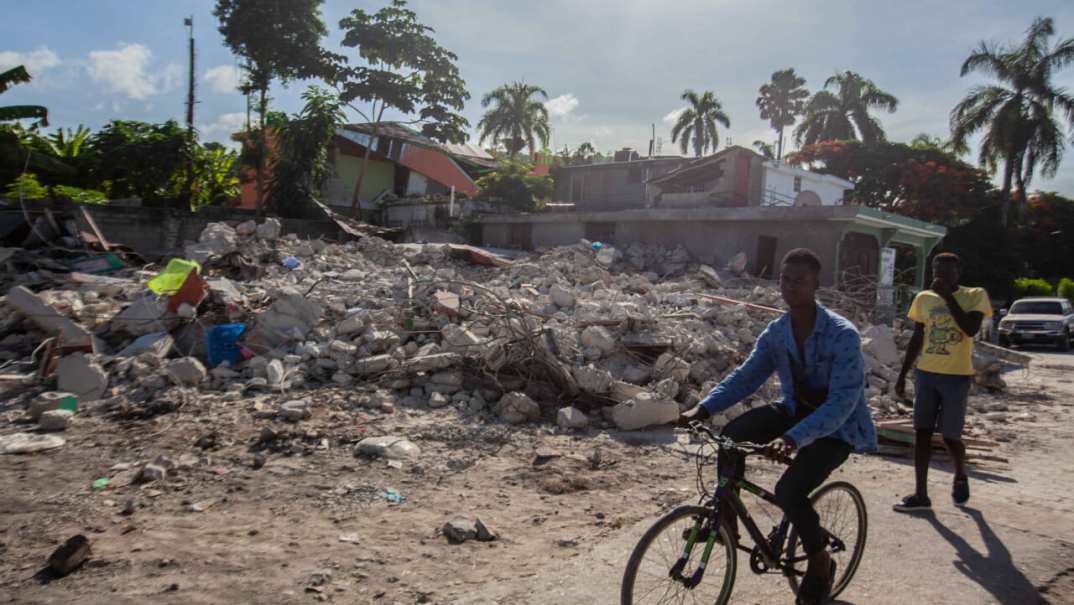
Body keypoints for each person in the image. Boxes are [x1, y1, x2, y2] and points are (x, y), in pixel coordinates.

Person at [679, 248, 877, 605]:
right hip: (793, 412)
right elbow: (747, 376)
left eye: (799, 281)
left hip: (837, 428)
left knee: (789, 492)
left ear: (816, 284)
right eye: (785, 279)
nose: (790, 287)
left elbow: (843, 402)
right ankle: (726, 518)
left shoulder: (841, 335)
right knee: (731, 437)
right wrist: (704, 409)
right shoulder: (778, 332)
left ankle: (819, 559)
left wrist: (792, 437)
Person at [893, 252, 991, 512]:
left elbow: (970, 329)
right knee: (921, 433)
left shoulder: (974, 295)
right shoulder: (923, 298)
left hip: (956, 377)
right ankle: (921, 495)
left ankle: (960, 473)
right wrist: (903, 374)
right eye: (937, 269)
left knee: (950, 436)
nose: (941, 274)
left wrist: (948, 297)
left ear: (958, 271)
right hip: (926, 374)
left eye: (947, 270)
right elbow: (918, 336)